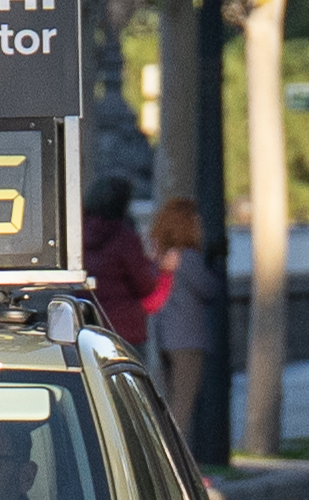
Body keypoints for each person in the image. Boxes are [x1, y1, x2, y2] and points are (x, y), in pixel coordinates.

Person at [146, 195, 224, 461]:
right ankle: (175, 462)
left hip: (164, 336)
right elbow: (209, 289)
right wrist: (215, 265)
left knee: (169, 400)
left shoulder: (160, 257)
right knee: (183, 404)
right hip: (188, 339)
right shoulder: (188, 258)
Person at [86, 173, 163, 348]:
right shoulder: (124, 237)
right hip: (124, 329)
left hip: (87, 326)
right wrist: (155, 265)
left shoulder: (76, 235)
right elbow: (145, 286)